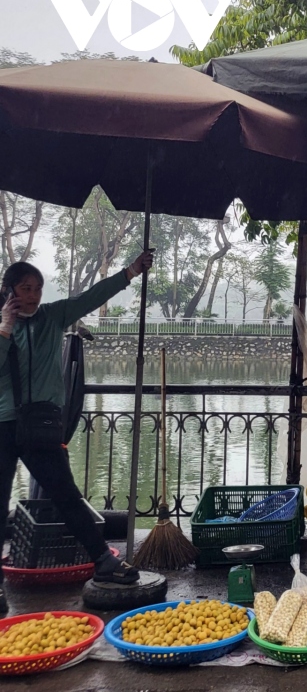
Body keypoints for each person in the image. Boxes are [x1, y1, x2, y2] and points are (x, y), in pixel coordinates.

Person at [0, 251, 154, 615]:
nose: (34, 295)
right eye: (25, 288)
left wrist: (129, 272)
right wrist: (4, 328)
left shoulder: (53, 317)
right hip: (4, 425)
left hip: (42, 427)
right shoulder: (2, 326)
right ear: (9, 290)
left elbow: (91, 297)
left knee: (67, 496)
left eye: (37, 287)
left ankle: (103, 560)